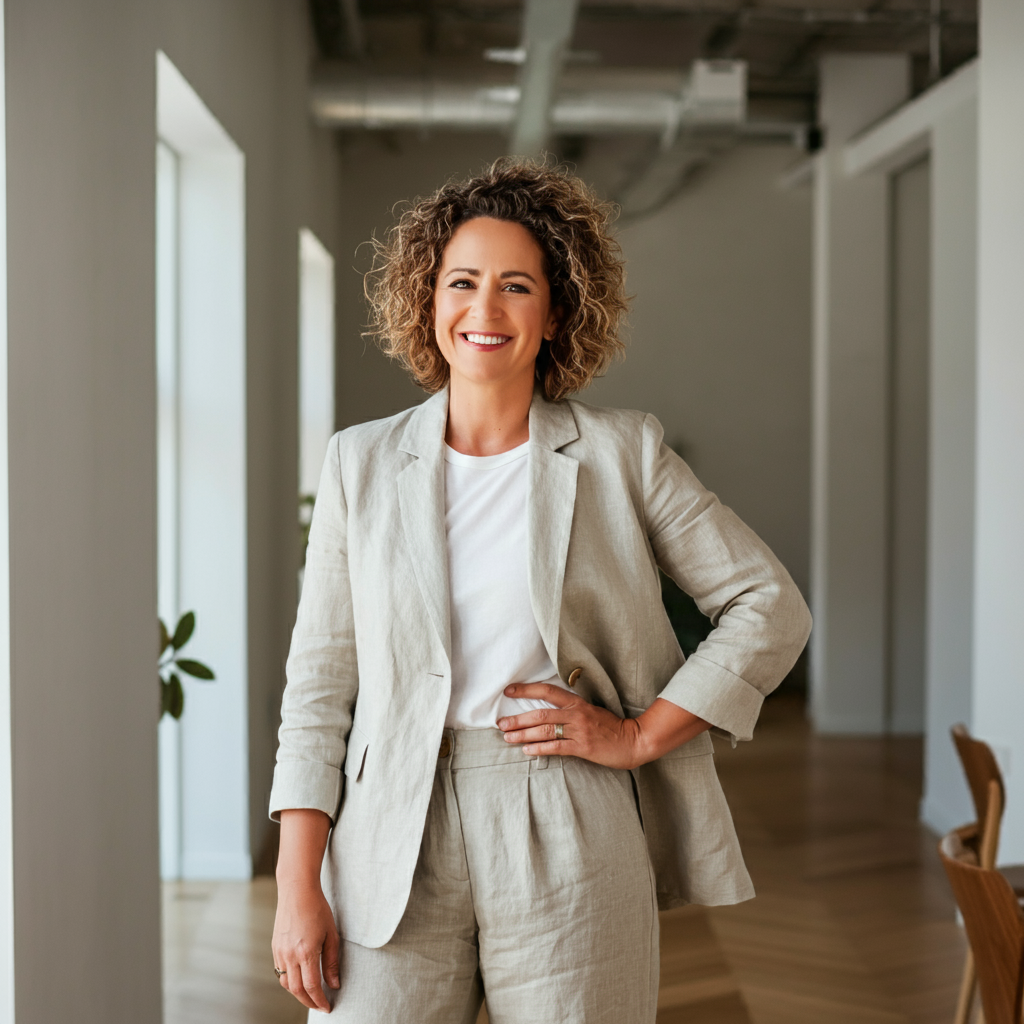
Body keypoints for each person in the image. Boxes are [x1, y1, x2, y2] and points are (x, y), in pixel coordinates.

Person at [269, 158, 811, 1023]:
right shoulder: (358, 462)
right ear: (429, 298)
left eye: (516, 287)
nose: (485, 310)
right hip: (386, 839)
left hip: (567, 816)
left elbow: (769, 605)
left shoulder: (621, 454)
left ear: (557, 313)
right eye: (463, 282)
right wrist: (298, 884)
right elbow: (321, 683)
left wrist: (639, 738)